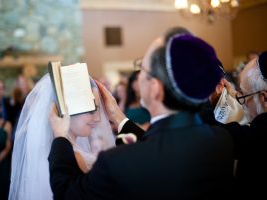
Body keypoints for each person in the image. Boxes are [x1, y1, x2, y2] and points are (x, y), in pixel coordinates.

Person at [48, 30, 234, 199]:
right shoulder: (220, 140)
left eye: (142, 71)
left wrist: (61, 137)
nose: (137, 78)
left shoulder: (117, 163)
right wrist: (118, 117)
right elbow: (163, 146)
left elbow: (66, 193)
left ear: (155, 89)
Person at [9, 74, 115, 200]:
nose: (97, 118)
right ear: (66, 110)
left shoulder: (54, 153)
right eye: (91, 110)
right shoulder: (74, 158)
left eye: (98, 109)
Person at [228, 50, 267, 198]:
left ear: (264, 98)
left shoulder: (259, 135)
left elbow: (224, 138)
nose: (242, 103)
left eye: (244, 95)